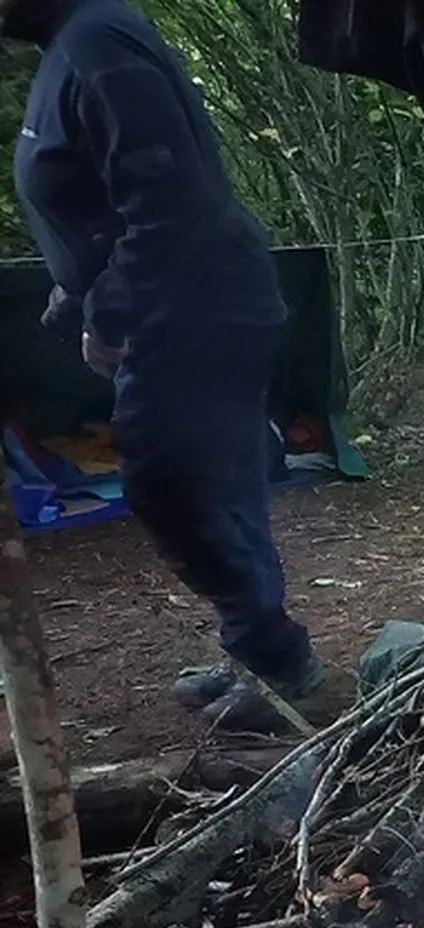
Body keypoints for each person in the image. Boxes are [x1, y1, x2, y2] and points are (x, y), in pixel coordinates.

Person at [3, 0, 333, 729]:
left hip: (197, 312)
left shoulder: (97, 47)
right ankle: (262, 655)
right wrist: (74, 292)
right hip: (194, 307)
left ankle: (283, 666)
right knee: (220, 486)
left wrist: (109, 315)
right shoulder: (78, 46)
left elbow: (169, 201)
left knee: (168, 485)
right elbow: (96, 199)